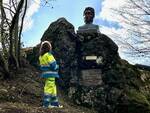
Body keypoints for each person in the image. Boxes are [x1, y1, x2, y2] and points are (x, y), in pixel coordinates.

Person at [39, 41, 63, 108]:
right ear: (49, 48)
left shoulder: (41, 57)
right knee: (49, 89)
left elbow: (41, 66)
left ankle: (54, 104)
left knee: (53, 88)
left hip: (46, 75)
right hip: (51, 74)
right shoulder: (49, 55)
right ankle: (46, 105)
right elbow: (53, 65)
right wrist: (57, 67)